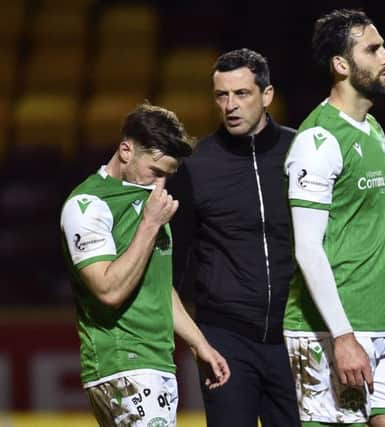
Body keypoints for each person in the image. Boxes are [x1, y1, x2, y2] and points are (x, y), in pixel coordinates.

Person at [283, 9, 385, 427]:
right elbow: (308, 249)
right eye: (373, 49)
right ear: (341, 65)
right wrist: (343, 337)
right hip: (327, 332)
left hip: (382, 326)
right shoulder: (318, 140)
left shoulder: (374, 130)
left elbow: (374, 242)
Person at [60, 103, 230, 426]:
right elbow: (108, 290)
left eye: (168, 176)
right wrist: (150, 225)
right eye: (155, 172)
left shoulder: (147, 203)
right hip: (124, 364)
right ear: (126, 150)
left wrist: (199, 344)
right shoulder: (88, 205)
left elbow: (157, 286)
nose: (159, 185)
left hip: (155, 363)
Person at [169, 48, 301, 426]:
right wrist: (197, 342)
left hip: (293, 335)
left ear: (267, 95)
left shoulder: (301, 152)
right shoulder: (195, 166)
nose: (230, 105)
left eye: (241, 94)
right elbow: (171, 269)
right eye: (221, 95)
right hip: (224, 339)